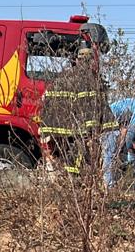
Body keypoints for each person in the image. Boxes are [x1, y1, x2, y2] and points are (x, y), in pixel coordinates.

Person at [39, 46, 116, 174]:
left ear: (77, 60)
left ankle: (60, 182)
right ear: (92, 61)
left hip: (54, 127)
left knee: (59, 157)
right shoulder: (90, 79)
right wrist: (93, 131)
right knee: (76, 160)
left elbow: (47, 103)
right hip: (75, 130)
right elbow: (91, 108)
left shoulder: (62, 76)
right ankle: (73, 184)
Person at [101, 97, 135, 188]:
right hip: (109, 121)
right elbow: (129, 131)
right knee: (109, 153)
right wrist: (131, 145)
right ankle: (108, 184)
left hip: (114, 120)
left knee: (114, 153)